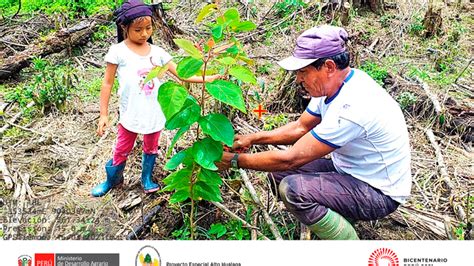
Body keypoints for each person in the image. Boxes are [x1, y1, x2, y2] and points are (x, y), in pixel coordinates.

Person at [218, 25, 412, 240]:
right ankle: (332, 216)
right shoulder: (337, 83)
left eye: (303, 71)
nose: (298, 79)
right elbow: (301, 127)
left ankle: (350, 245)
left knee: (293, 189)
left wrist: (233, 160)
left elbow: (289, 159)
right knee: (277, 176)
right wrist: (253, 138)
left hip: (378, 192)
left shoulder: (353, 107)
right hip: (349, 171)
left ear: (328, 67)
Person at [91, 0, 219, 197]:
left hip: (154, 113)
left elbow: (182, 74)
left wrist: (209, 78)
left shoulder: (158, 53)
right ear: (125, 28)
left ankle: (147, 177)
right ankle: (112, 179)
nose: (144, 34)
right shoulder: (118, 52)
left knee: (151, 147)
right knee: (122, 148)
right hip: (130, 113)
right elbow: (107, 83)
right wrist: (103, 114)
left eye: (148, 28)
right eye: (138, 29)